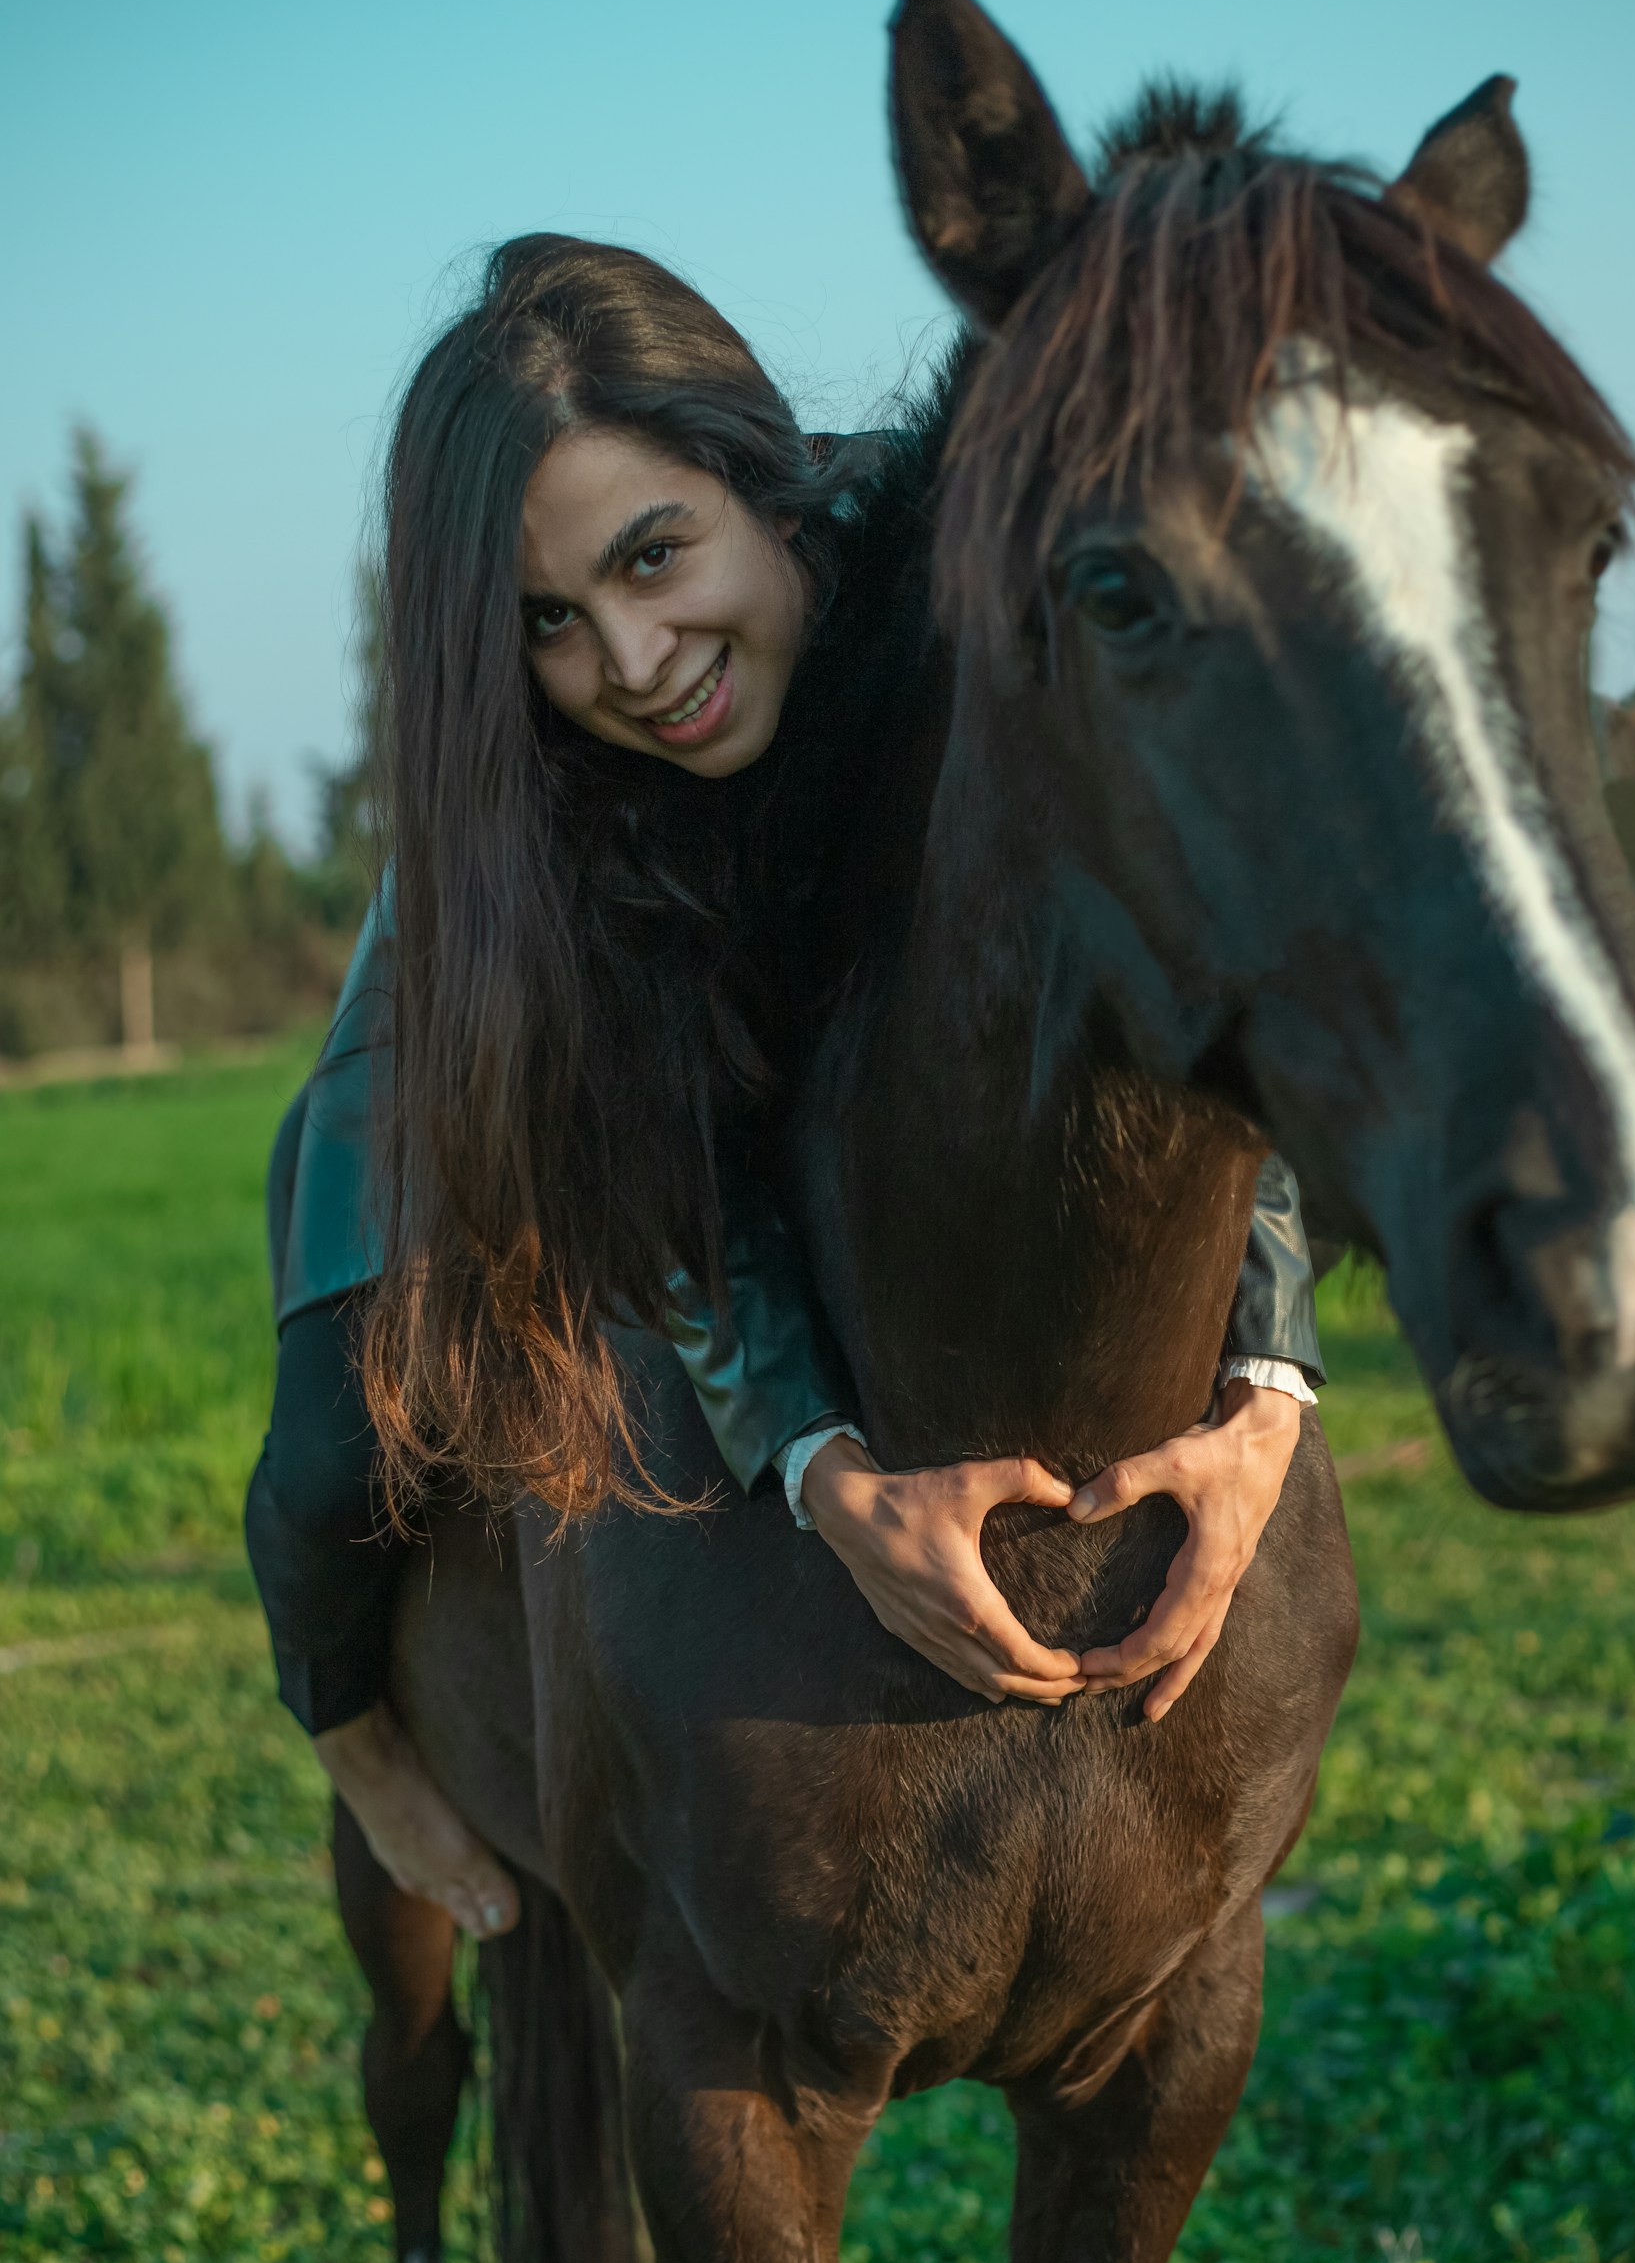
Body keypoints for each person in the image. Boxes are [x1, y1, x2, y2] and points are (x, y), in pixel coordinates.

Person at [245, 236, 1326, 1943]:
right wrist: (821, 1467)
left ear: (768, 483)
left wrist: (1271, 1375)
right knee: (325, 1457)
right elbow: (666, 1148)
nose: (639, 659)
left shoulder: (948, 590)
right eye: (553, 624)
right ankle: (359, 1750)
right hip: (497, 968)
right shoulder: (557, 795)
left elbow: (1174, 945)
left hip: (773, 947)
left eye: (655, 555)